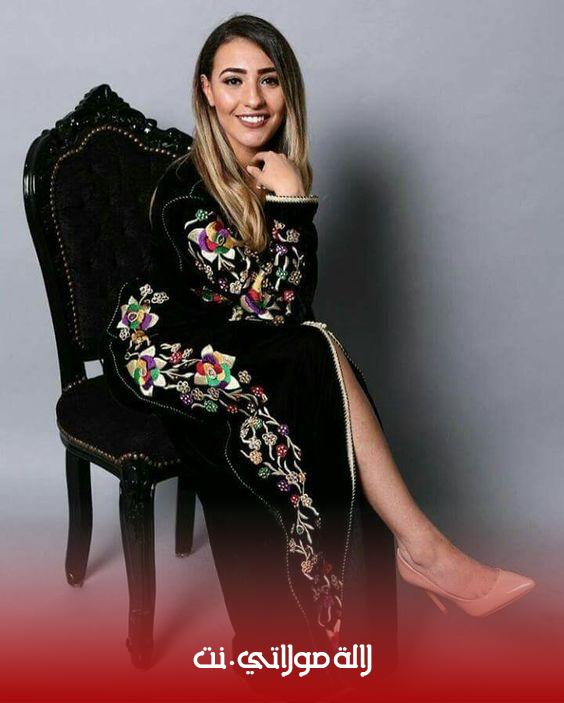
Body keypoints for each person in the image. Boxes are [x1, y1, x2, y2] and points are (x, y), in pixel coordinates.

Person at [100, 13, 535, 700]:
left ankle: (397, 576)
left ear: (288, 92)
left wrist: (285, 198)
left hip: (233, 335)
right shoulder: (187, 191)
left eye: (269, 80)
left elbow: (282, 313)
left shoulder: (268, 169)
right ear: (206, 91)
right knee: (312, 353)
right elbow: (273, 310)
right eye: (234, 80)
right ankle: (424, 549)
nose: (253, 99)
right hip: (161, 347)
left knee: (319, 363)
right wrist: (294, 205)